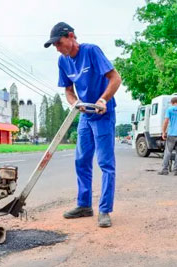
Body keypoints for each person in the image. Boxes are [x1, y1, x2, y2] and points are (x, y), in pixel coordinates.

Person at [44, 22, 121, 228]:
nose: (58, 49)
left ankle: (104, 210)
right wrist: (74, 103)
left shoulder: (91, 51)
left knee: (105, 163)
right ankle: (84, 205)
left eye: (59, 43)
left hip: (103, 113)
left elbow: (115, 78)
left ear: (71, 36)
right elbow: (68, 91)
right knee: (81, 160)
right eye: (55, 46)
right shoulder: (63, 61)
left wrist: (103, 99)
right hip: (85, 116)